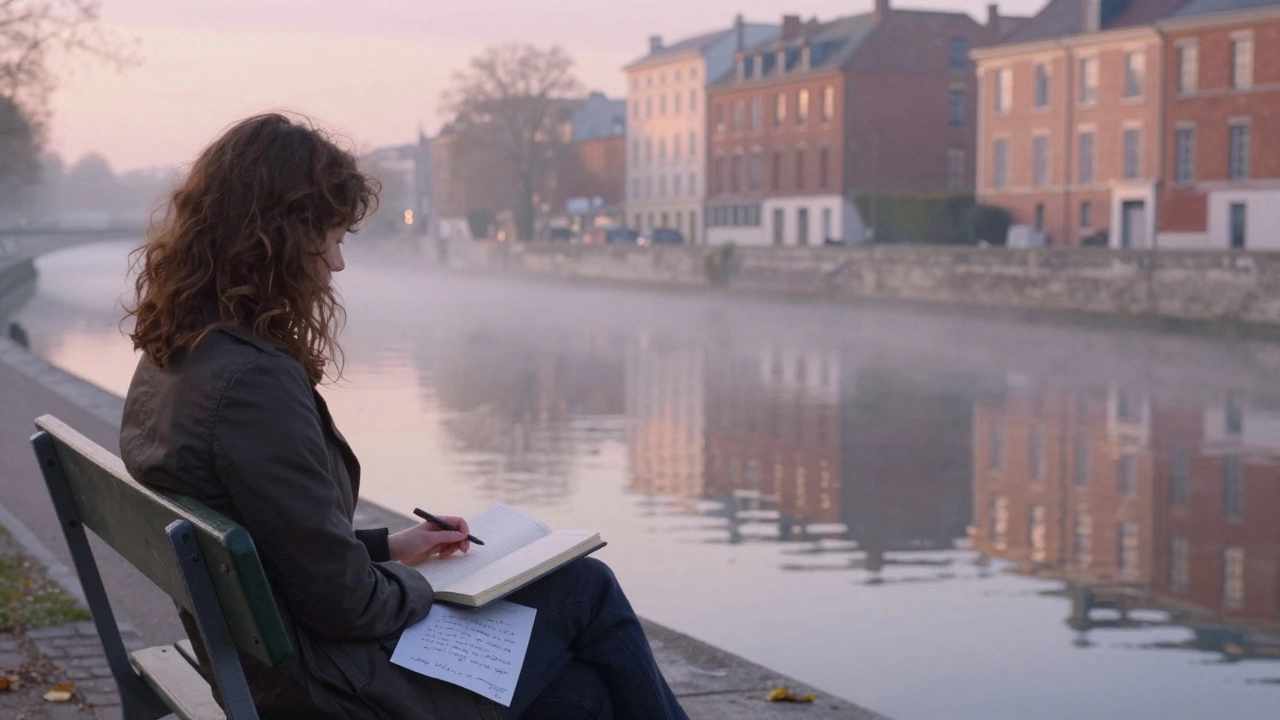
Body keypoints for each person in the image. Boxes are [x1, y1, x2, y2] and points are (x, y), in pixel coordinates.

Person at [118, 113, 688, 720]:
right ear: (276, 240)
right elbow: (347, 606)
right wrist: (435, 588)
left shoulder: (177, 354)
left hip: (265, 666)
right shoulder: (252, 383)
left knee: (584, 697)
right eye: (332, 240)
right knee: (585, 591)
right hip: (328, 690)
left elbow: (270, 540)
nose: (337, 265)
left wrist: (390, 545)